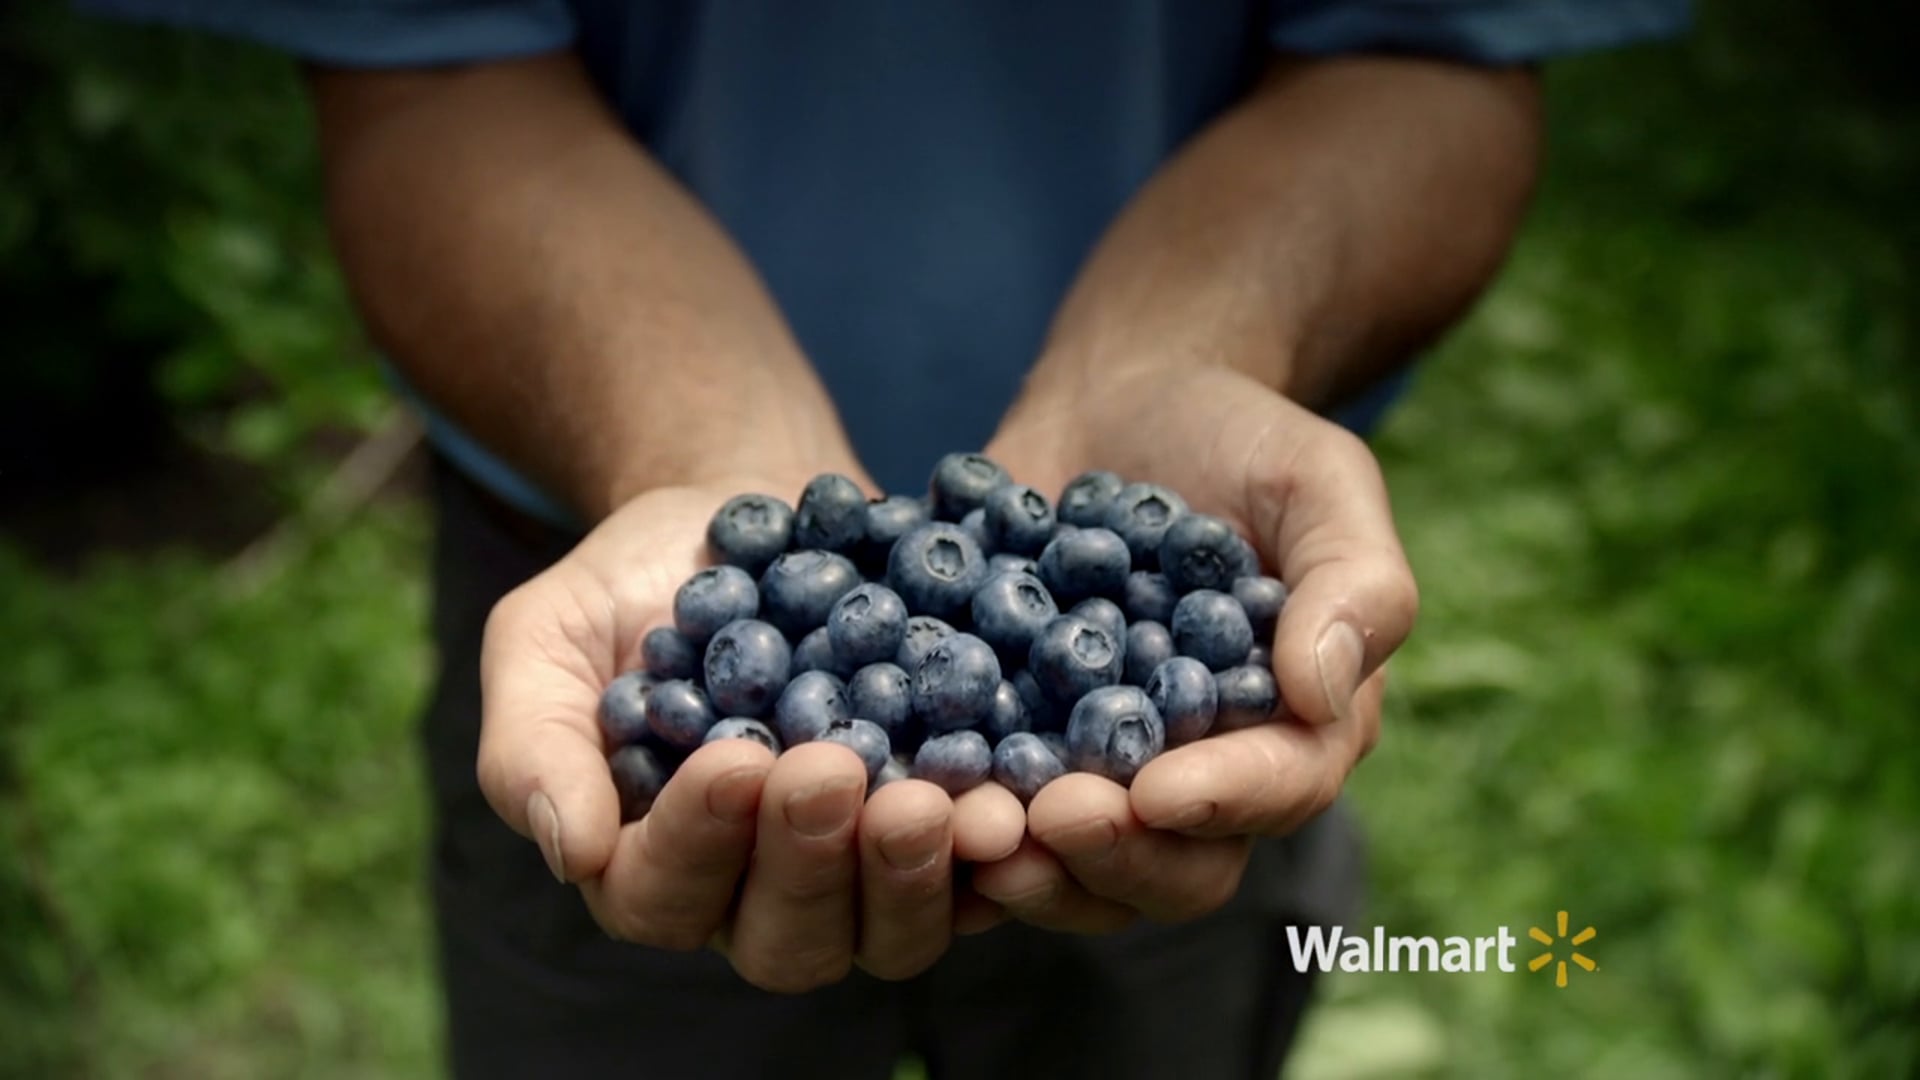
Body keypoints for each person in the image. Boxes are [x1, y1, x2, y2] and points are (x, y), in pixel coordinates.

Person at [81, 2, 1688, 1076]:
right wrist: (690, 446)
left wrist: (1172, 358)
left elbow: (1429, 47)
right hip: (602, 577)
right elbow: (428, 67)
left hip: (1168, 672)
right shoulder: (708, 664)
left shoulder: (1139, 638)